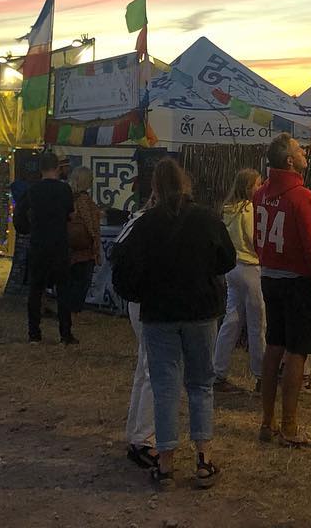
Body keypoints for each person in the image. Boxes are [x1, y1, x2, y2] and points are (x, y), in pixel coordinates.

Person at [112, 157, 235, 487]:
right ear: (186, 184)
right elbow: (227, 259)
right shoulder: (206, 219)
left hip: (159, 314)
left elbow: (122, 268)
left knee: (165, 387)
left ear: (154, 187)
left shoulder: (146, 224)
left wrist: (141, 294)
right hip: (199, 313)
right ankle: (204, 459)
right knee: (200, 385)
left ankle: (165, 463)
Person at [253, 133, 311, 447]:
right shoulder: (301, 196)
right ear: (289, 161)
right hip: (298, 281)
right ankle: (290, 426)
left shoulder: (259, 194)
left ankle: (266, 422)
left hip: (269, 276)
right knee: (297, 351)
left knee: (274, 345)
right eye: (300, 150)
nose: (305, 153)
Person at [115, 194, 158, 473]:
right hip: (147, 302)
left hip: (138, 300)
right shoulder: (149, 222)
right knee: (154, 371)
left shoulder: (139, 220)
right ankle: (142, 438)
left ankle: (137, 434)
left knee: (146, 369)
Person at [213, 168, 265, 393]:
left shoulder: (227, 210)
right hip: (251, 268)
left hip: (232, 268)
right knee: (257, 324)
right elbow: (254, 240)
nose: (260, 188)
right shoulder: (249, 210)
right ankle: (261, 374)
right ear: (248, 187)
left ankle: (218, 371)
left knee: (231, 321)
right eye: (257, 184)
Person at [13, 152, 75, 344]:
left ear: (40, 169)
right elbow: (71, 216)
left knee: (35, 289)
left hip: (38, 244)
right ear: (57, 168)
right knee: (63, 290)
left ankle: (34, 333)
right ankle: (65, 334)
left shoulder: (32, 190)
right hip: (59, 245)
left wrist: (28, 229)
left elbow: (19, 216)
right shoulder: (65, 190)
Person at [63, 166, 103, 324]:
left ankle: (69, 309)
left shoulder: (69, 197)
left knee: (71, 280)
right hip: (84, 248)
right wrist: (95, 241)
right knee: (81, 281)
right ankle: (74, 311)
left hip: (71, 247)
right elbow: (88, 222)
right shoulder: (83, 199)